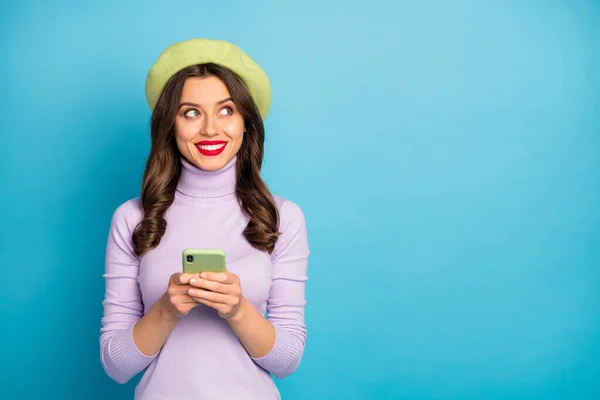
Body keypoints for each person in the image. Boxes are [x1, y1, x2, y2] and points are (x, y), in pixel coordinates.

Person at [99, 38, 310, 400]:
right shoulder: (132, 218)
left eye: (226, 110)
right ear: (171, 126)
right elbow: (116, 367)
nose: (210, 129)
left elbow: (287, 360)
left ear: (247, 122)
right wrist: (167, 308)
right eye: (191, 112)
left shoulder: (281, 218)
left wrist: (237, 309)